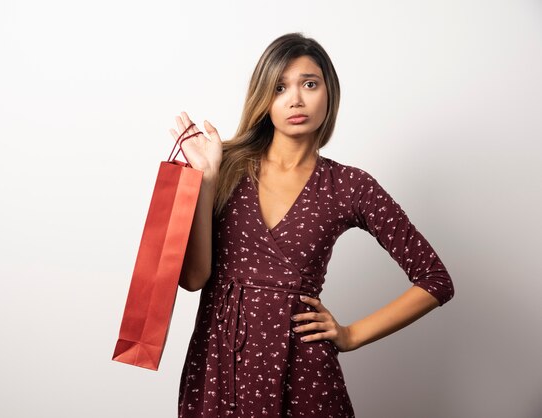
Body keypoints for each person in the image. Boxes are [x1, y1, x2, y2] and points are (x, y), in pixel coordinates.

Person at [169, 32, 454, 418]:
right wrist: (205, 179)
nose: (295, 99)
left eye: (309, 84)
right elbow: (195, 278)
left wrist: (350, 335)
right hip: (220, 365)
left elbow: (435, 279)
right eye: (280, 87)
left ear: (328, 93)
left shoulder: (350, 186)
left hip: (301, 373)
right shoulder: (225, 164)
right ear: (263, 98)